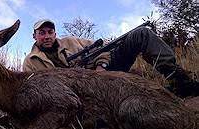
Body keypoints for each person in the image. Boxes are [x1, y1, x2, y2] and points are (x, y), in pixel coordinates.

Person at [23, 19, 199, 98]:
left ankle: (179, 80)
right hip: (79, 95)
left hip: (106, 74)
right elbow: (34, 91)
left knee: (141, 34)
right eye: (41, 33)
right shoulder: (30, 62)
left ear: (55, 33)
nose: (46, 36)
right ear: (34, 36)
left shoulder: (72, 41)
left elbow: (102, 49)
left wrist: (102, 66)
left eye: (50, 32)